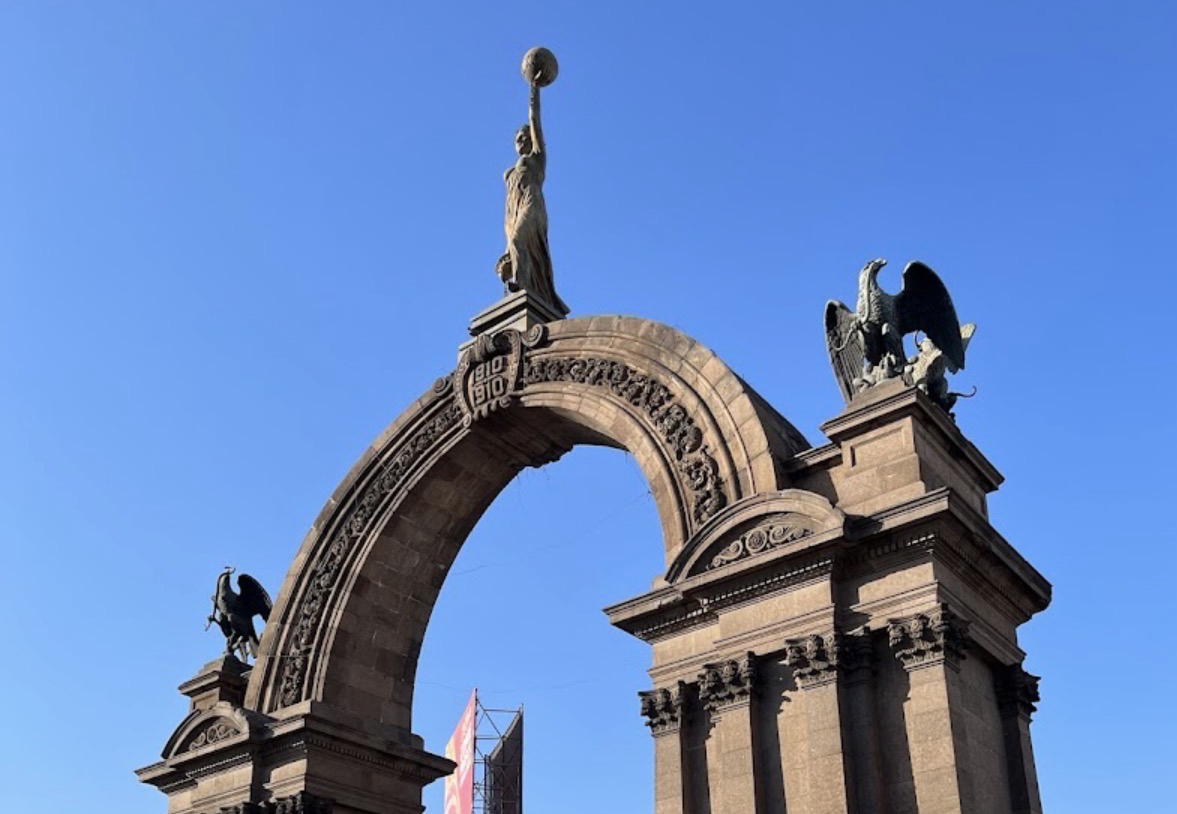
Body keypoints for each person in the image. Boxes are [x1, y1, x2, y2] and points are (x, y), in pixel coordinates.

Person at [497, 77, 569, 316]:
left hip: (531, 203)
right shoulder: (510, 171)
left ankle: (520, 285)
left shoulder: (537, 158)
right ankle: (524, 288)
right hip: (512, 210)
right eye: (517, 139)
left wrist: (534, 90)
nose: (520, 142)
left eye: (523, 137)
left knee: (520, 242)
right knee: (516, 250)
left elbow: (535, 120)